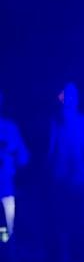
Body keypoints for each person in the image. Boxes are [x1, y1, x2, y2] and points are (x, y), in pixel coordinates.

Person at [47, 83, 84, 262]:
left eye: (70, 95)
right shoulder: (55, 122)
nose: (66, 98)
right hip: (59, 179)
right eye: (63, 95)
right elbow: (51, 149)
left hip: (78, 179)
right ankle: (62, 260)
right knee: (60, 220)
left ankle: (83, 260)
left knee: (80, 219)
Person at [0, 90, 30, 243]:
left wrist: (12, 156)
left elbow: (23, 156)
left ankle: (8, 253)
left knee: (9, 228)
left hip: (7, 187)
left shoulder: (10, 128)